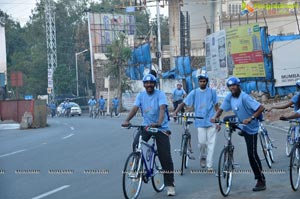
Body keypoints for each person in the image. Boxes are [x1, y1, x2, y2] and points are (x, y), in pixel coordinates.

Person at [121, 73, 175, 196]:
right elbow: (134, 109)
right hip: (147, 126)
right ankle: (138, 166)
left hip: (161, 128)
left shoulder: (160, 94)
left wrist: (158, 123)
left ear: (154, 84)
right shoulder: (141, 95)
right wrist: (126, 120)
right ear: (144, 85)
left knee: (165, 157)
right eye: (146, 83)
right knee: (136, 143)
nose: (149, 85)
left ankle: (170, 184)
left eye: (151, 83)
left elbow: (162, 109)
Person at [211, 76, 266, 192]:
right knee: (226, 119)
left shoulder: (245, 97)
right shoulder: (230, 97)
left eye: (234, 85)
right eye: (230, 86)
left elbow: (261, 108)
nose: (232, 88)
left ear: (238, 86)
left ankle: (261, 180)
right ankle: (228, 151)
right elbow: (221, 109)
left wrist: (250, 118)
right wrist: (215, 117)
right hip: (241, 123)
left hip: (251, 126)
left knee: (252, 155)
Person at [173, 74, 219, 170]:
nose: (202, 83)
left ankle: (209, 165)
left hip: (211, 121)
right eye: (200, 81)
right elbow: (184, 103)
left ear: (207, 82)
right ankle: (203, 156)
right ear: (198, 82)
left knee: (211, 143)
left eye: (204, 81)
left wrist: (217, 120)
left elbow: (216, 106)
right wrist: (175, 112)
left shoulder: (212, 92)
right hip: (200, 121)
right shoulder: (194, 92)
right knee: (202, 143)